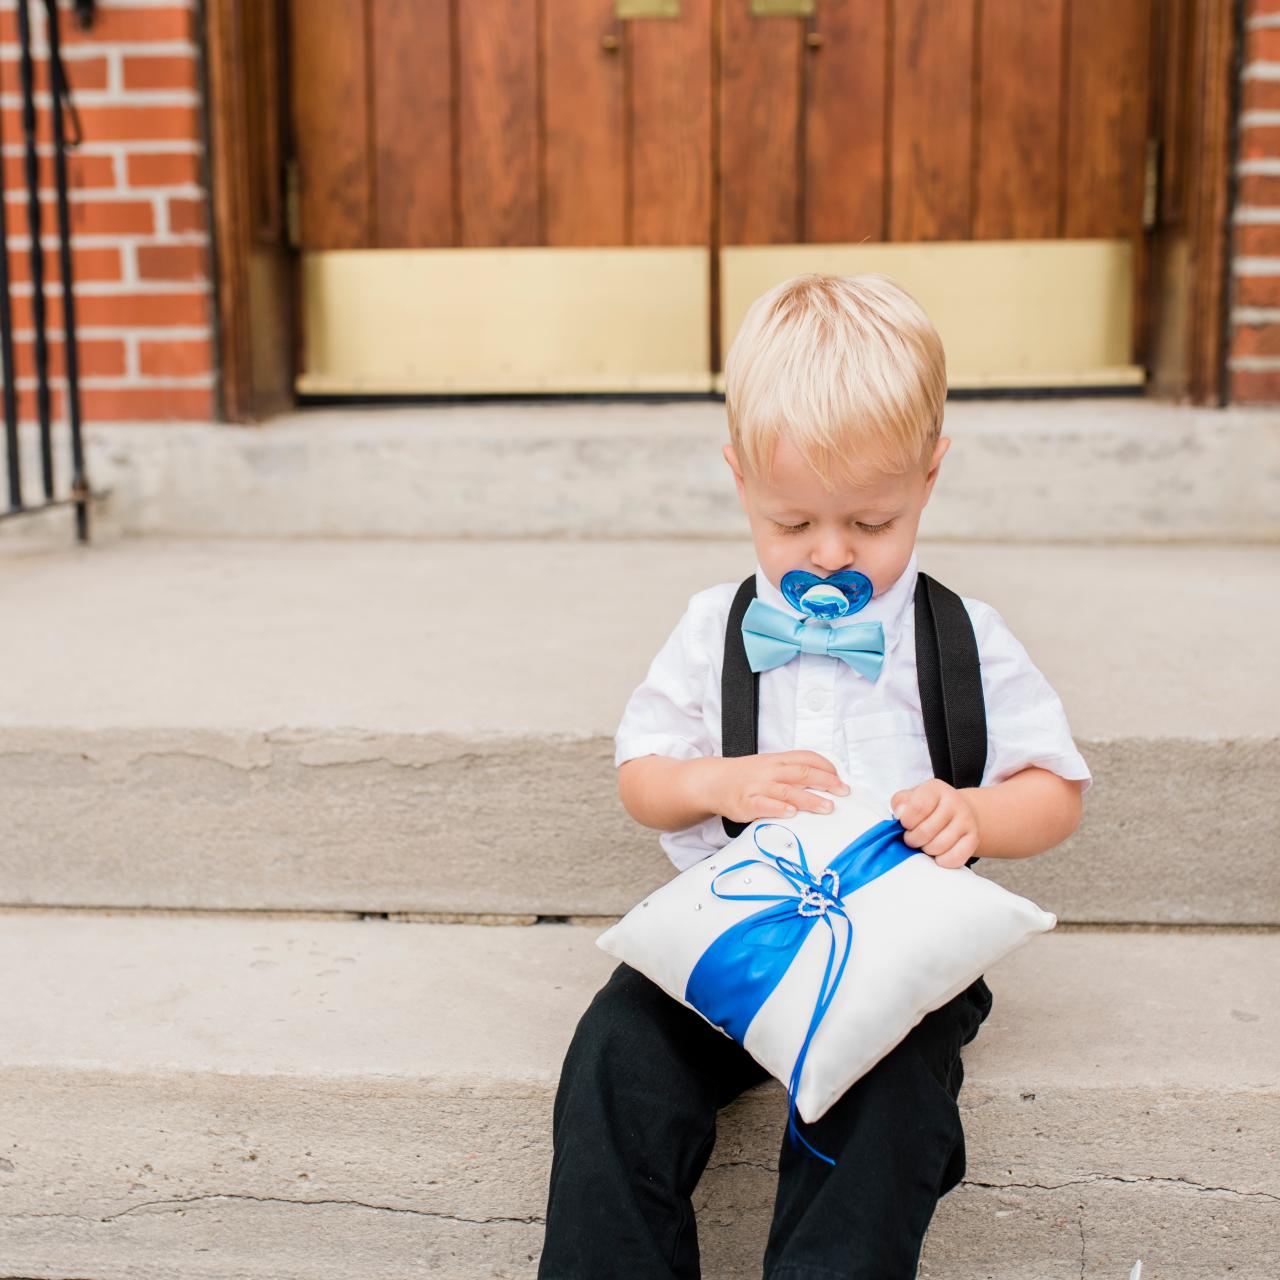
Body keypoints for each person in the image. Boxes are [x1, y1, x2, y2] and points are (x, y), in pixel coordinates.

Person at [536, 273, 1091, 1279]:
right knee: (615, 1055)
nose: (828, 554)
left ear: (928, 475)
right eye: (791, 524)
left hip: (893, 949)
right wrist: (714, 783)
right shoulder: (712, 627)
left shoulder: (957, 639)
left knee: (888, 1096)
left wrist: (973, 812)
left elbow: (1054, 788)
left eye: (869, 524)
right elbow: (640, 775)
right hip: (731, 933)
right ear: (738, 475)